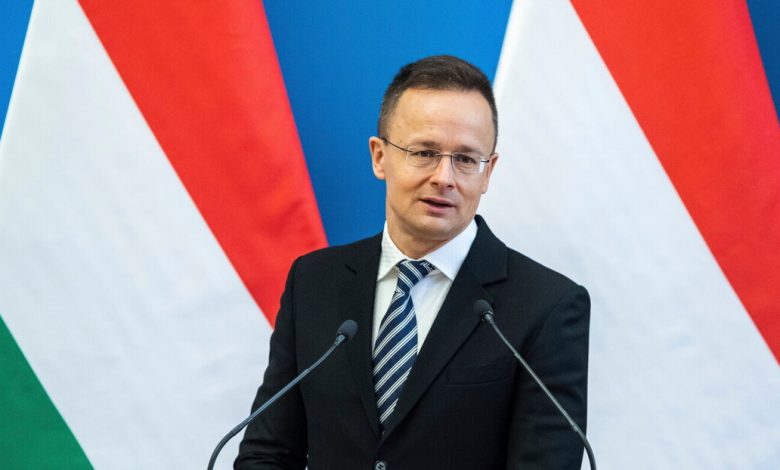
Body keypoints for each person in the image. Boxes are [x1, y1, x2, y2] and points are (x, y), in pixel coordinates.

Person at [235, 55, 590, 469]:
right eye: (424, 152)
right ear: (379, 157)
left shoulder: (546, 307)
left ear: (488, 172)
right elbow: (268, 452)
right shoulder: (313, 282)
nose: (444, 177)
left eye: (465, 159)